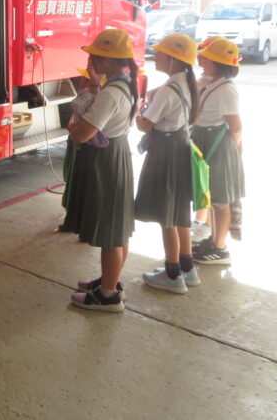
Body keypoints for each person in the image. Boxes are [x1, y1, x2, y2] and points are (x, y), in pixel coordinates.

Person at [65, 28, 139, 313]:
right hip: (117, 154)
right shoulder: (126, 83)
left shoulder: (111, 93)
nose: (92, 59)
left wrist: (74, 130)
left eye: (97, 55)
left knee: (111, 233)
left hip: (107, 160)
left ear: (110, 59)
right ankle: (111, 280)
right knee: (118, 228)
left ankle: (107, 295)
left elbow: (83, 134)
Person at [135, 34, 201, 293]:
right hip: (181, 144)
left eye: (161, 52)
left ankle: (173, 274)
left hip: (166, 151)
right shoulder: (186, 82)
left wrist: (140, 112)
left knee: (167, 214)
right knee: (180, 211)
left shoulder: (167, 90)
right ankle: (187, 267)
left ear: (173, 58)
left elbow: (146, 125)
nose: (156, 55)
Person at [191, 37, 245, 265]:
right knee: (213, 197)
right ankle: (213, 241)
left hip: (218, 145)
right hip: (208, 140)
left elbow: (236, 126)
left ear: (218, 63)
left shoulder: (226, 90)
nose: (201, 59)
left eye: (207, 57)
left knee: (221, 200)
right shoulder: (212, 82)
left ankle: (220, 249)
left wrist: (228, 153)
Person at [58, 68, 104, 233]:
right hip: (77, 138)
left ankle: (81, 222)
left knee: (84, 183)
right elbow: (77, 112)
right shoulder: (88, 87)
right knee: (73, 179)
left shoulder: (102, 93)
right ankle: (72, 218)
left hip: (86, 141)